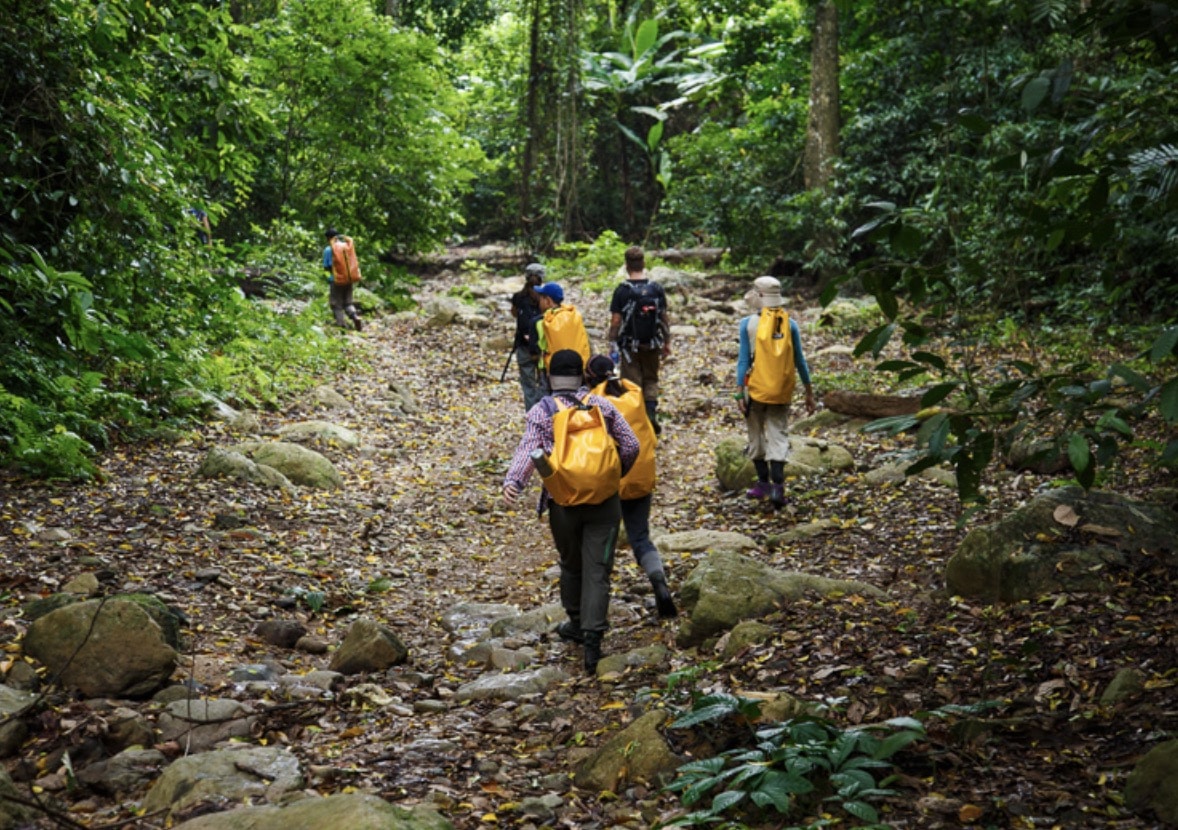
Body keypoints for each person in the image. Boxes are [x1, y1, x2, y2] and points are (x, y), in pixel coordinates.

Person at [502, 349, 639, 674]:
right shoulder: (602, 405)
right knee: (598, 569)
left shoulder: (542, 411)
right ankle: (593, 642)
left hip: (562, 503)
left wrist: (514, 482)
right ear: (582, 376)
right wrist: (612, 475)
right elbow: (631, 445)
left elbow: (528, 449)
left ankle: (576, 622)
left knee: (571, 564)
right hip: (604, 503)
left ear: (550, 377)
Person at [585, 354, 677, 618]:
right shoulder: (633, 396)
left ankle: (594, 608)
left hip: (610, 483)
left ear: (589, 378)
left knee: (603, 541)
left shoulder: (593, 403)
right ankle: (659, 581)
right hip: (640, 479)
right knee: (640, 538)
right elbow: (650, 437)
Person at [735, 276, 816, 507]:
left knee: (756, 435)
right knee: (778, 433)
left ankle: (763, 484)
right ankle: (778, 489)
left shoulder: (747, 324)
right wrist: (809, 392)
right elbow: (800, 360)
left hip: (754, 390)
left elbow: (743, 361)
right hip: (781, 390)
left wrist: (739, 391)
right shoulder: (790, 324)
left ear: (760, 296)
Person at [606, 245, 671, 434]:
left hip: (629, 346)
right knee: (651, 379)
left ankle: (637, 423)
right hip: (652, 343)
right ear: (643, 263)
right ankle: (651, 414)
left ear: (626, 265)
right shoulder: (656, 289)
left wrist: (612, 342)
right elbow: (663, 317)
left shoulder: (622, 291)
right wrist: (667, 341)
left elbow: (616, 320)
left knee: (631, 384)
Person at [532, 282, 591, 393]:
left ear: (548, 300)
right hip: (579, 369)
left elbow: (538, 348)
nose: (539, 301)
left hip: (554, 373)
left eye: (541, 298)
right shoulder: (574, 315)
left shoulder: (542, 322)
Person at [511, 263, 546, 412]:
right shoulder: (545, 298)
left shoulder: (518, 297)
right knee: (544, 383)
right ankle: (544, 413)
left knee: (528, 385)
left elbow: (514, 313)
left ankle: (532, 415)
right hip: (542, 346)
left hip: (523, 346)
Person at [322, 228, 362, 331]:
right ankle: (355, 317)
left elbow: (326, 266)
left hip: (336, 280)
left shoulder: (329, 249)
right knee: (348, 303)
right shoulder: (346, 246)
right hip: (348, 279)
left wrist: (328, 277)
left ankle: (341, 325)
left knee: (336, 304)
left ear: (328, 238)